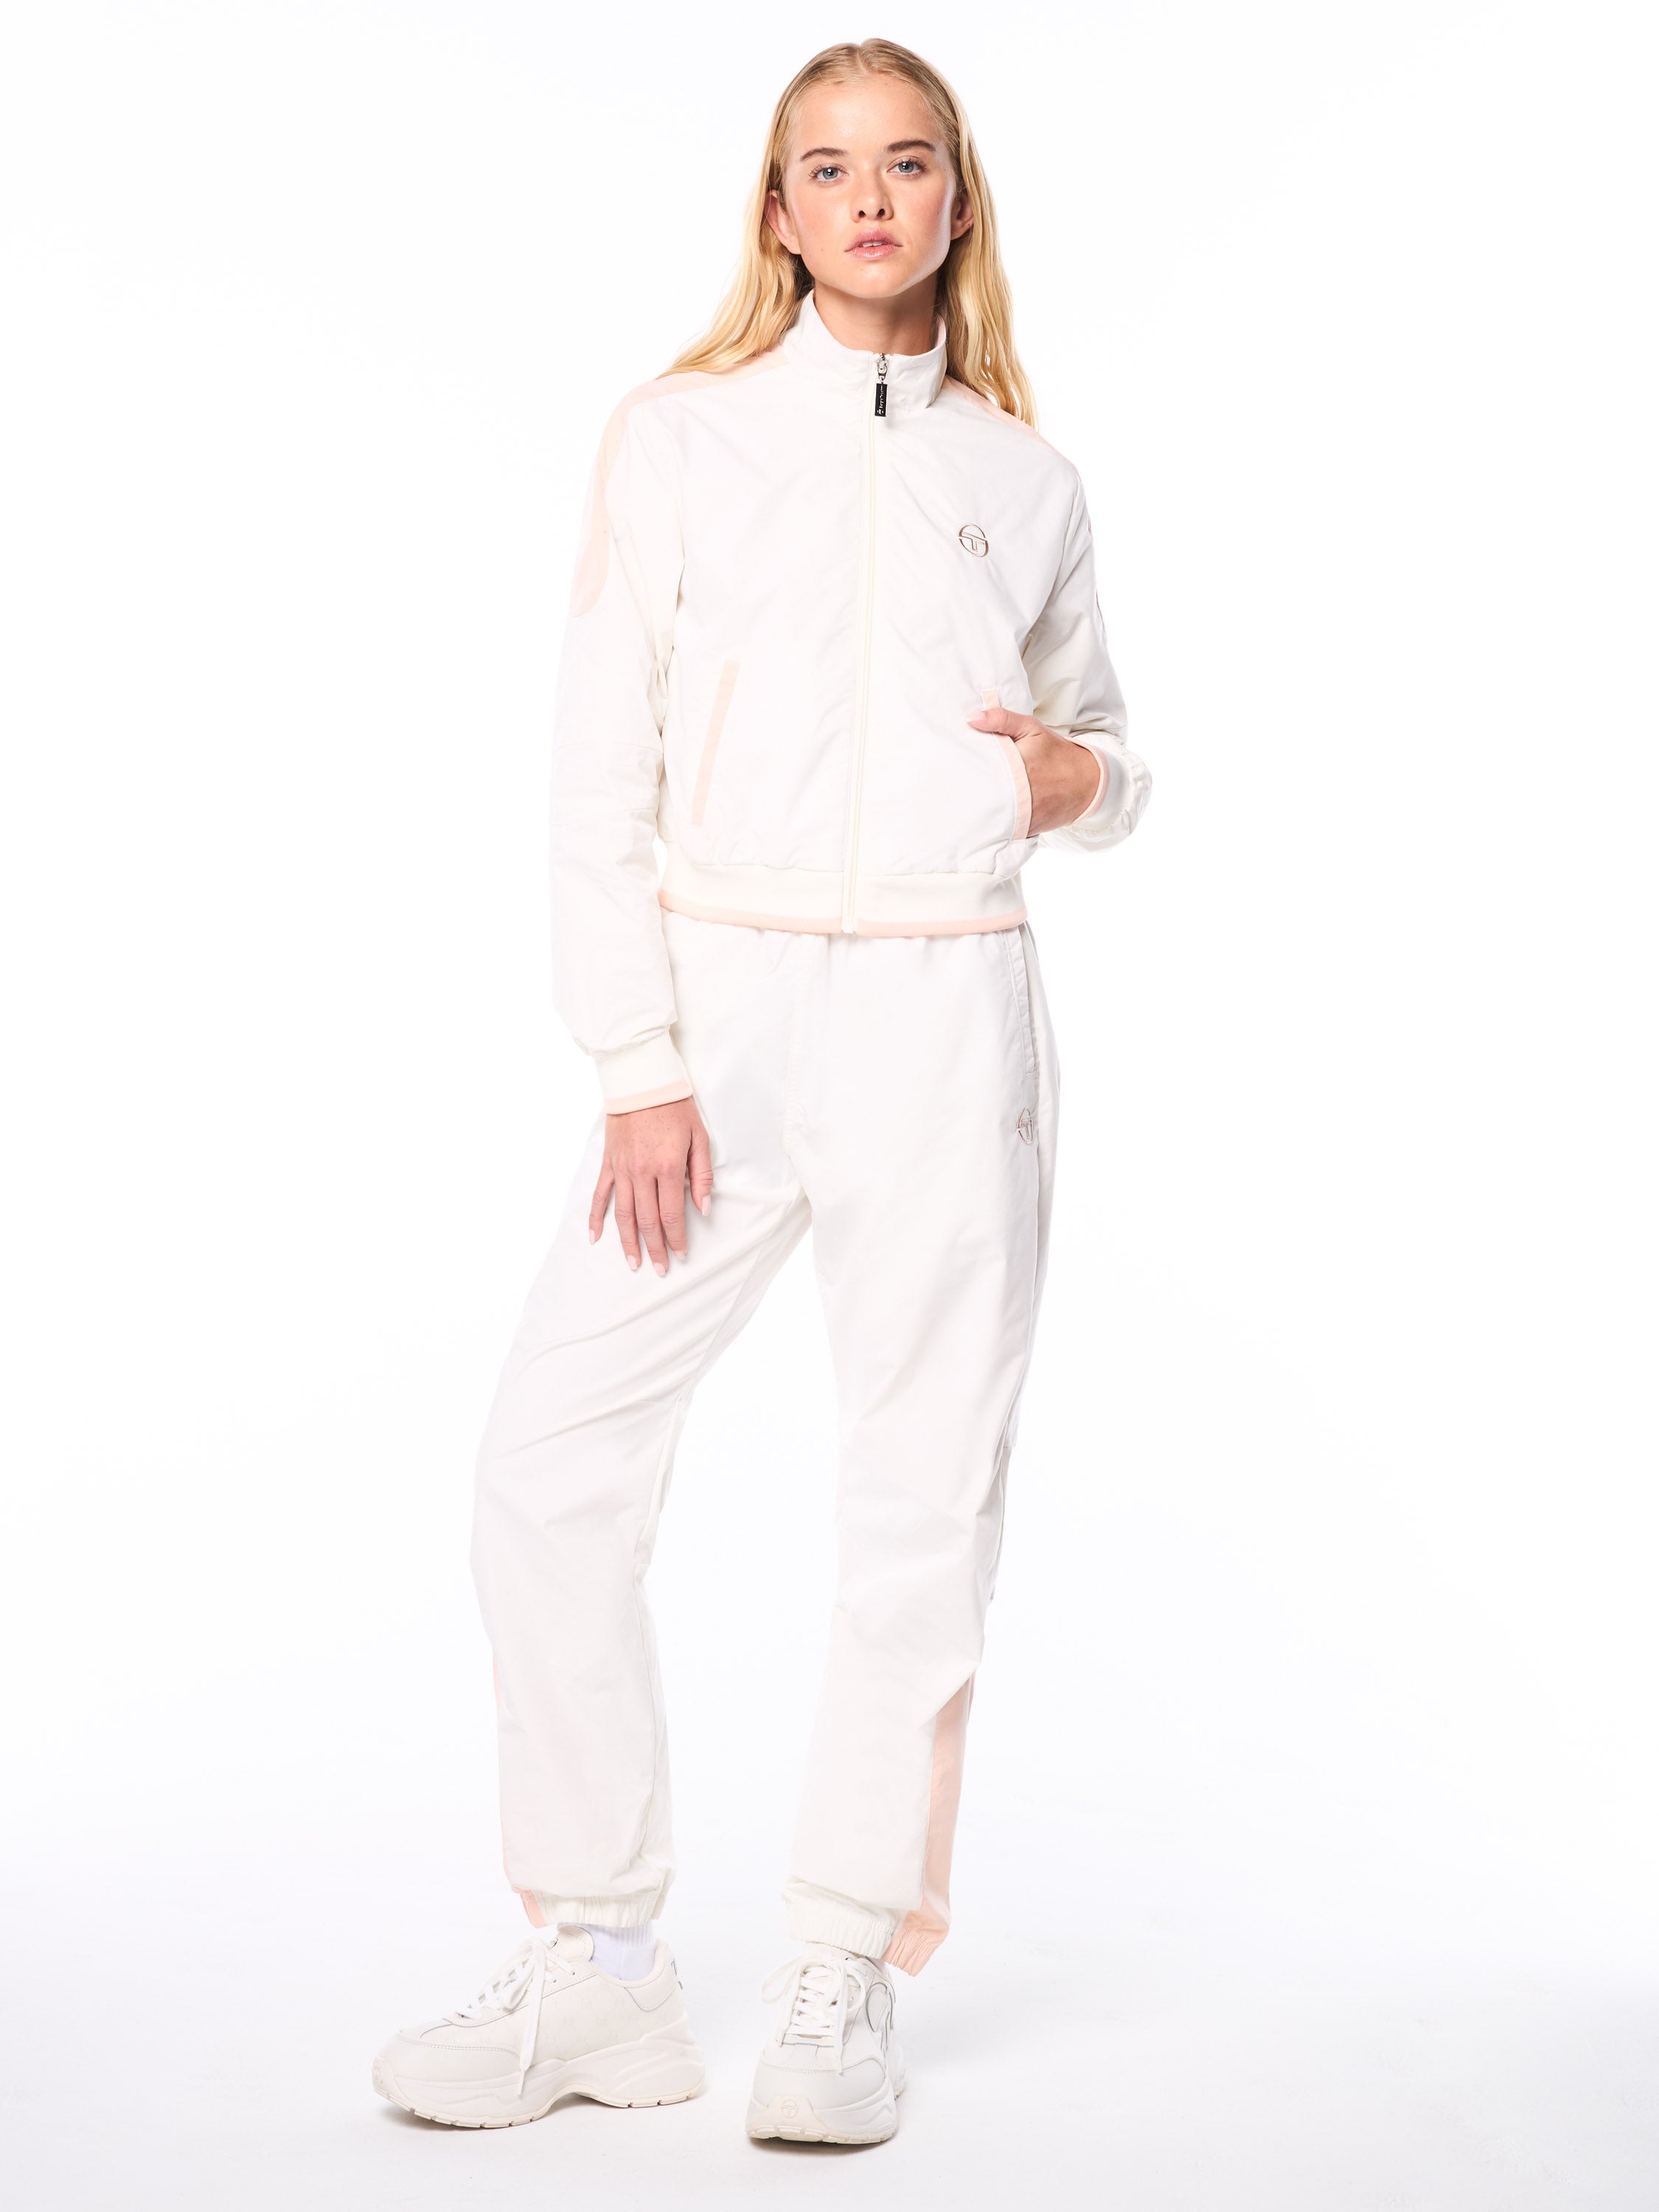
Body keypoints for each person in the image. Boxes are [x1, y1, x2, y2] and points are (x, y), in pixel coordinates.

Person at [372, 37, 1150, 2147]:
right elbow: (592, 764)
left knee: (921, 1492)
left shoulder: (1027, 478)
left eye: (906, 163)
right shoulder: (681, 436)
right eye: (828, 169)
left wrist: (1082, 784)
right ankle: (603, 1966)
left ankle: (840, 1959)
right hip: (717, 1028)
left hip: (949, 1019)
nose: (870, 198)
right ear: (780, 213)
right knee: (550, 1465)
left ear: (956, 199)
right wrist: (638, 1063)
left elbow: (1101, 751)